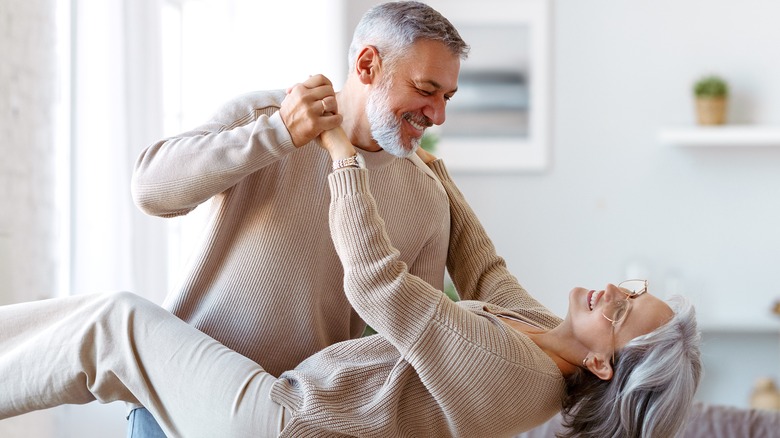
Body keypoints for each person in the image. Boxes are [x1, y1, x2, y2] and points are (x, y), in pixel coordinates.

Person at [0, 127, 702, 437]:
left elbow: (378, 288)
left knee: (114, 324)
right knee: (107, 329)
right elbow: (483, 266)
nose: (615, 290)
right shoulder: (542, 340)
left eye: (626, 309)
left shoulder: (513, 374)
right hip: (287, 408)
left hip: (281, 425)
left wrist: (343, 157)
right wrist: (432, 165)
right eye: (631, 287)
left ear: (605, 362)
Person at [128, 1, 468, 435]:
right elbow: (150, 192)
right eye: (426, 89)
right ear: (368, 65)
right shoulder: (269, 117)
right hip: (176, 402)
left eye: (447, 98)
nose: (437, 115)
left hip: (287, 421)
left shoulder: (426, 200)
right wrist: (279, 135)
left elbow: (410, 350)